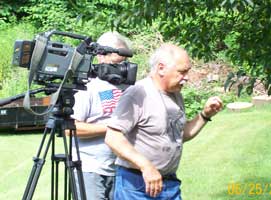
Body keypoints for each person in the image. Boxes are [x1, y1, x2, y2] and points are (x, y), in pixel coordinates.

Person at [105, 43, 223, 199]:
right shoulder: (138, 93)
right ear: (161, 68)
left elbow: (179, 134)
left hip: (169, 183)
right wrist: (146, 166)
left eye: (187, 72)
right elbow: (113, 138)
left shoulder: (175, 94)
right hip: (137, 185)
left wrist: (204, 115)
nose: (186, 78)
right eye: (181, 72)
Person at [71, 31, 131, 200]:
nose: (121, 68)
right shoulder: (87, 88)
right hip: (91, 169)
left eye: (124, 63)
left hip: (122, 168)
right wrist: (111, 128)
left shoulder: (128, 87)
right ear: (101, 57)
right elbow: (71, 128)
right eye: (116, 63)